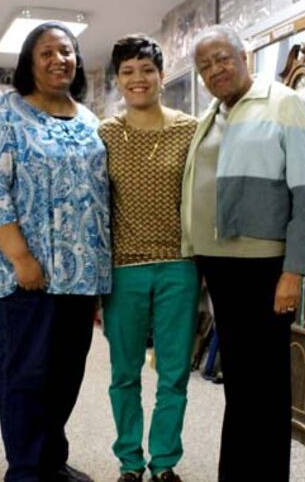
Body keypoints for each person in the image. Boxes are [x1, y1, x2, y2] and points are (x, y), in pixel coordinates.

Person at [0, 22, 111, 482]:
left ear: (77, 61)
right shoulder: (4, 115)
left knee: (65, 376)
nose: (58, 59)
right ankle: (26, 471)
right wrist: (22, 258)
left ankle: (50, 462)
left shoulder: (90, 122)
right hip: (22, 277)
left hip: (80, 277)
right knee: (27, 377)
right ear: (29, 62)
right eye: (46, 52)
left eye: (66, 51)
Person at [182, 25, 305, 481]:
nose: (214, 69)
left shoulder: (284, 102)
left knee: (265, 386)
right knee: (240, 382)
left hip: (264, 267)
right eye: (205, 65)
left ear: (245, 56)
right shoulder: (214, 115)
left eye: (222, 58)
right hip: (220, 265)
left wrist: (294, 271)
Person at [97, 35, 199, 482]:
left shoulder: (191, 130)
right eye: (128, 71)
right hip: (124, 270)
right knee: (125, 374)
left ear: (160, 75)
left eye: (147, 70)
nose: (138, 79)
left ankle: (164, 462)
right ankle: (129, 462)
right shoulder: (105, 134)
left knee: (174, 373)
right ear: (118, 80)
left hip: (180, 266)